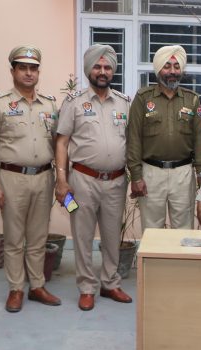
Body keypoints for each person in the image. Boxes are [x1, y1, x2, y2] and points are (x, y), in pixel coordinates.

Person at [0, 45, 61, 313]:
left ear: (38, 72)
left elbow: (59, 144)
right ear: (13, 71)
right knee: (14, 238)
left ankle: (37, 286)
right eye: (23, 68)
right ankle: (16, 288)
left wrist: (62, 179)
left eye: (33, 68)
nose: (28, 73)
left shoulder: (50, 104)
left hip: (44, 177)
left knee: (38, 237)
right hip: (12, 178)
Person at [54, 44, 133, 311]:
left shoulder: (123, 102)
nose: (102, 71)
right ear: (89, 69)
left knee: (112, 236)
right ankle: (87, 287)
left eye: (107, 67)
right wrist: (61, 180)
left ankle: (110, 283)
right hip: (82, 181)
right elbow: (62, 142)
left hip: (116, 183)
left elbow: (131, 142)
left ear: (113, 71)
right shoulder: (74, 102)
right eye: (98, 67)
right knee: (82, 235)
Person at [125, 45, 201, 230]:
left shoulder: (192, 99)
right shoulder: (143, 98)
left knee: (184, 229)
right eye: (167, 66)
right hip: (151, 173)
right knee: (151, 229)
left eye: (177, 67)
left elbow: (200, 139)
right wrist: (136, 176)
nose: (172, 71)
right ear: (158, 69)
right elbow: (134, 138)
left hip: (183, 173)